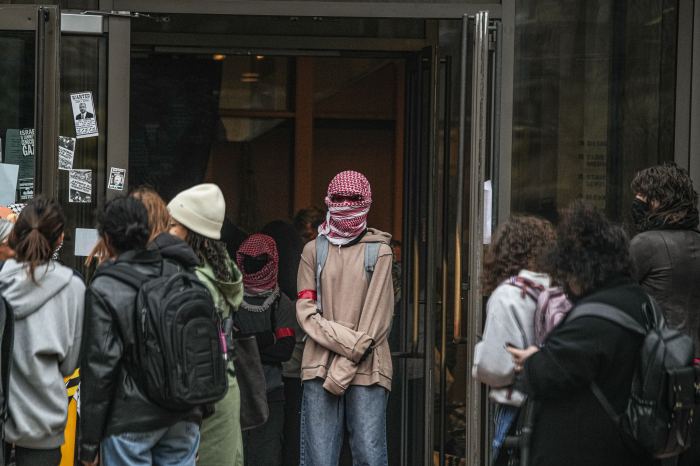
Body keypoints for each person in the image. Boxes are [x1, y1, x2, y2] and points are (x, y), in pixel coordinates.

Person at [507, 201, 654, 466]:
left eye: (566, 274)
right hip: (627, 448)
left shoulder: (595, 318)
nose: (565, 284)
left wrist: (530, 360)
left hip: (589, 450)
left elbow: (547, 374)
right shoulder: (641, 302)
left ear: (581, 269)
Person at [80, 197, 202, 466]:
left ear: (108, 239)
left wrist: (88, 444)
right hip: (182, 414)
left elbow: (100, 368)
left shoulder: (106, 286)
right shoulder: (180, 274)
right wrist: (199, 412)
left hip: (129, 419)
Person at [296, 170, 394, 466]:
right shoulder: (313, 251)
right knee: (319, 457)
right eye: (338, 199)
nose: (345, 205)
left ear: (366, 201)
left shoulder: (381, 252)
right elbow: (305, 312)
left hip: (369, 368)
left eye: (353, 199)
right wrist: (352, 348)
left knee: (368, 454)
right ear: (328, 200)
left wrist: (344, 363)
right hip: (320, 368)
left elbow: (377, 321)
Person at [0, 197, 85, 466]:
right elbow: (70, 363)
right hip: (43, 421)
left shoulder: (2, 281)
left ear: (16, 235)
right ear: (60, 239)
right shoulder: (73, 288)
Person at [167, 183, 245, 466]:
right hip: (223, 385)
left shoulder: (194, 281)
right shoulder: (220, 268)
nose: (165, 231)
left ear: (191, 231)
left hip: (202, 393)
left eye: (172, 225)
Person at [628, 163, 700, 466]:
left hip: (660, 370)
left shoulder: (645, 244)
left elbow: (620, 295)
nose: (637, 203)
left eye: (643, 196)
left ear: (660, 199)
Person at [472, 216, 555, 465]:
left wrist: (478, 355)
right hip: (554, 403)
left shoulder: (509, 294)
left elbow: (496, 368)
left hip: (518, 407)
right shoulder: (556, 287)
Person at [235, 233, 296, 466]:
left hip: (271, 396)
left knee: (266, 457)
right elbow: (225, 344)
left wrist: (244, 343)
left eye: (260, 259)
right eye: (248, 259)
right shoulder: (230, 299)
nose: (254, 264)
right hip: (235, 395)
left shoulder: (281, 303)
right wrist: (266, 338)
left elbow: (284, 350)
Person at [260, 221, 305, 466]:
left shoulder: (262, 292)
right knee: (293, 442)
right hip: (299, 373)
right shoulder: (303, 282)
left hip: (265, 378)